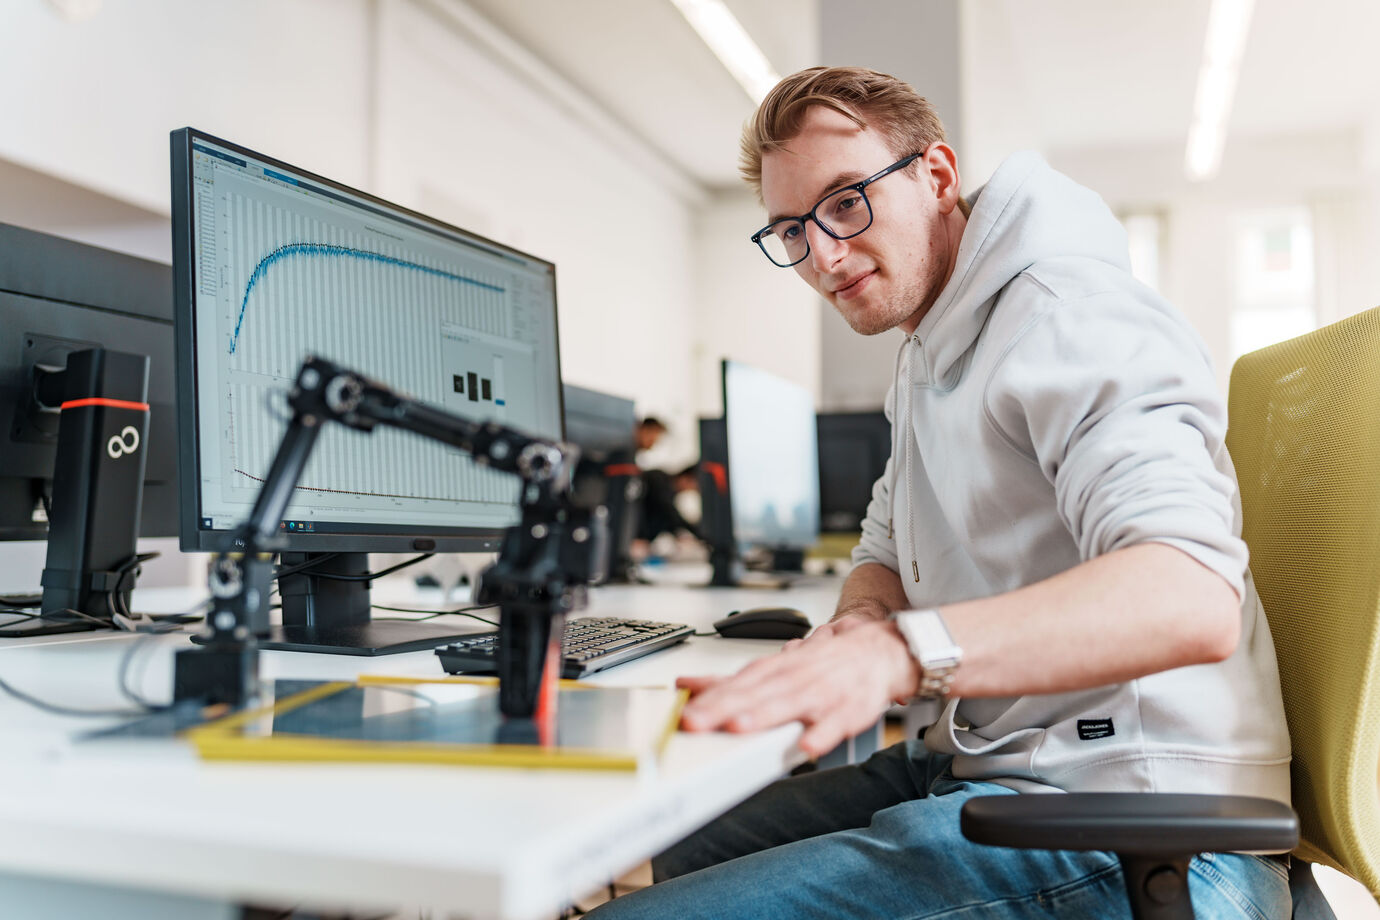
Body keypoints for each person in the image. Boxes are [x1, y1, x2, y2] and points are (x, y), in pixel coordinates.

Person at [589, 66, 1292, 919]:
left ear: (938, 174)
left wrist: (897, 655)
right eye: (791, 231)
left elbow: (1188, 595)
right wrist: (858, 624)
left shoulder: (1072, 315)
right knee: (683, 839)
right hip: (996, 763)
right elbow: (884, 548)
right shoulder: (932, 346)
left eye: (846, 202)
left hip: (1147, 824)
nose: (824, 254)